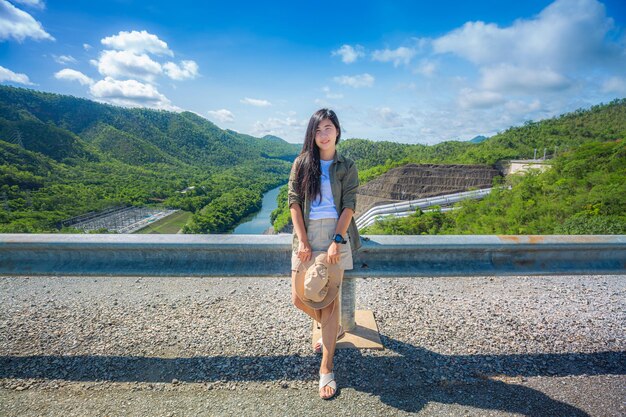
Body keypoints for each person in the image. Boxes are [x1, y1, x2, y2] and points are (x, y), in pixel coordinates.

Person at [288, 108, 362, 400]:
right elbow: (293, 201)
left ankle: (327, 367)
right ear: (312, 134)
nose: (323, 135)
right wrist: (303, 241)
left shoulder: (347, 165)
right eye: (318, 130)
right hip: (307, 233)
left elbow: (349, 205)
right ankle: (331, 328)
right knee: (298, 296)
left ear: (337, 131)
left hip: (335, 233)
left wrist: (337, 241)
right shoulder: (302, 163)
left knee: (329, 304)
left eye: (328, 128)